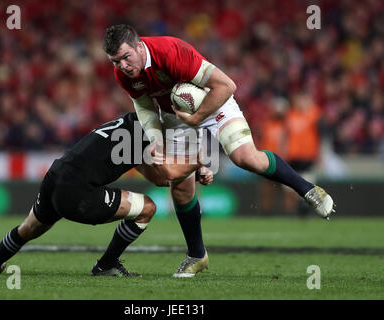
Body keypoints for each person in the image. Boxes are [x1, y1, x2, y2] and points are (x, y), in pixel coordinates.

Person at [103, 24, 335, 257]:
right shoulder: (122, 74)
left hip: (214, 101)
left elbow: (227, 85)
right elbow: (143, 106)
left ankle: (309, 190)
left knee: (246, 159)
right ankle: (196, 255)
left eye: (126, 57)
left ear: (139, 47)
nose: (122, 65)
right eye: (115, 61)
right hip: (175, 115)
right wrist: (156, 138)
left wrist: (197, 117)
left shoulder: (171, 51)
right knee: (181, 187)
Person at [0, 112, 213, 277]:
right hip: (78, 193)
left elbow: (155, 174)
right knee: (148, 208)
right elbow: (167, 176)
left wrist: (192, 166)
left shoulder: (129, 126)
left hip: (55, 176)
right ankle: (106, 265)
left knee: (28, 228)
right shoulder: (149, 136)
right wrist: (200, 162)